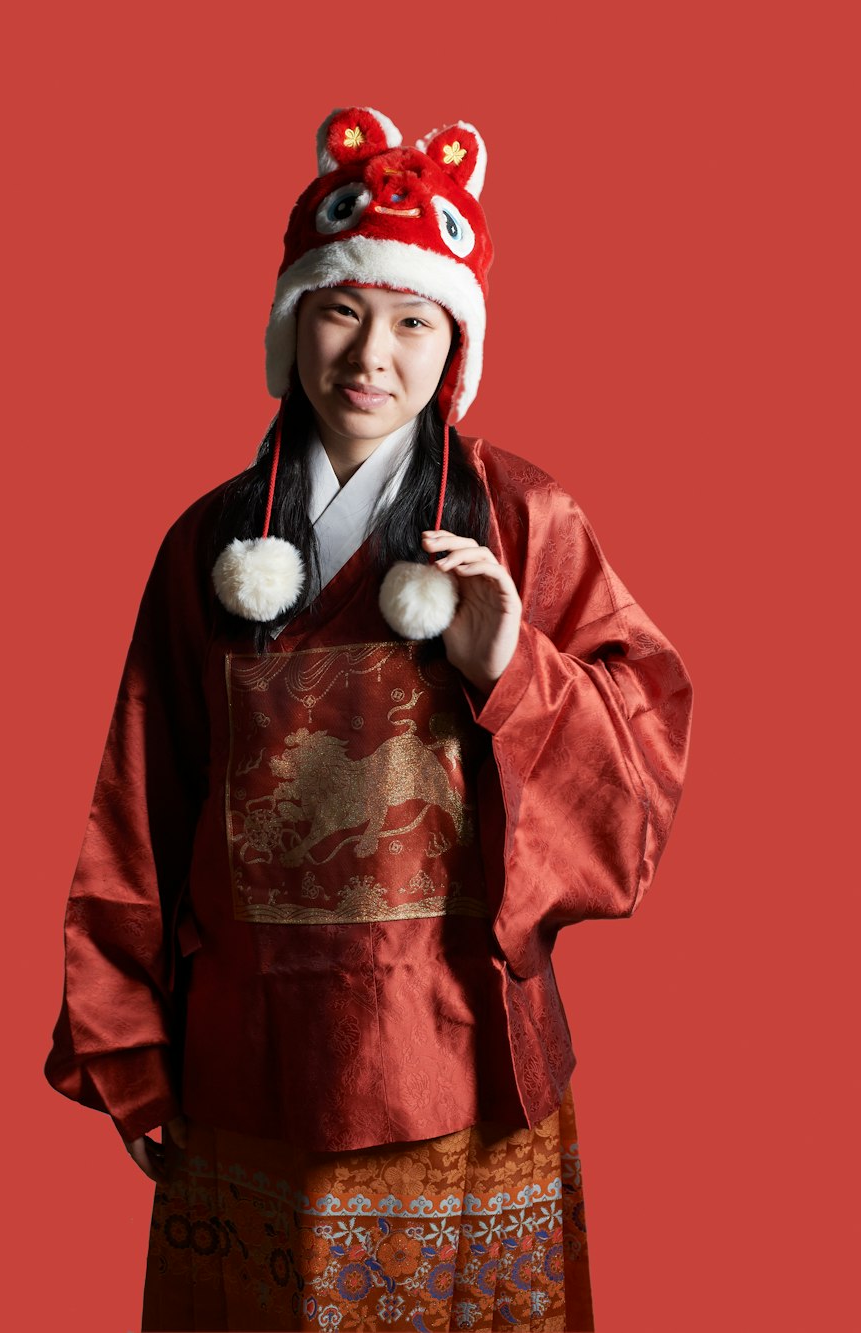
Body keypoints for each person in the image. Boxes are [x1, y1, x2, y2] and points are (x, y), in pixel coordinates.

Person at [44, 106, 693, 1332]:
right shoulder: (210, 544)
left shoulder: (522, 516)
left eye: (412, 319)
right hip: (246, 1048)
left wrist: (512, 666)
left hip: (450, 1044)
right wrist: (131, 1051)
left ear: (454, 343)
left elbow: (639, 763)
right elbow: (139, 801)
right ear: (291, 323)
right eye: (341, 309)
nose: (370, 356)